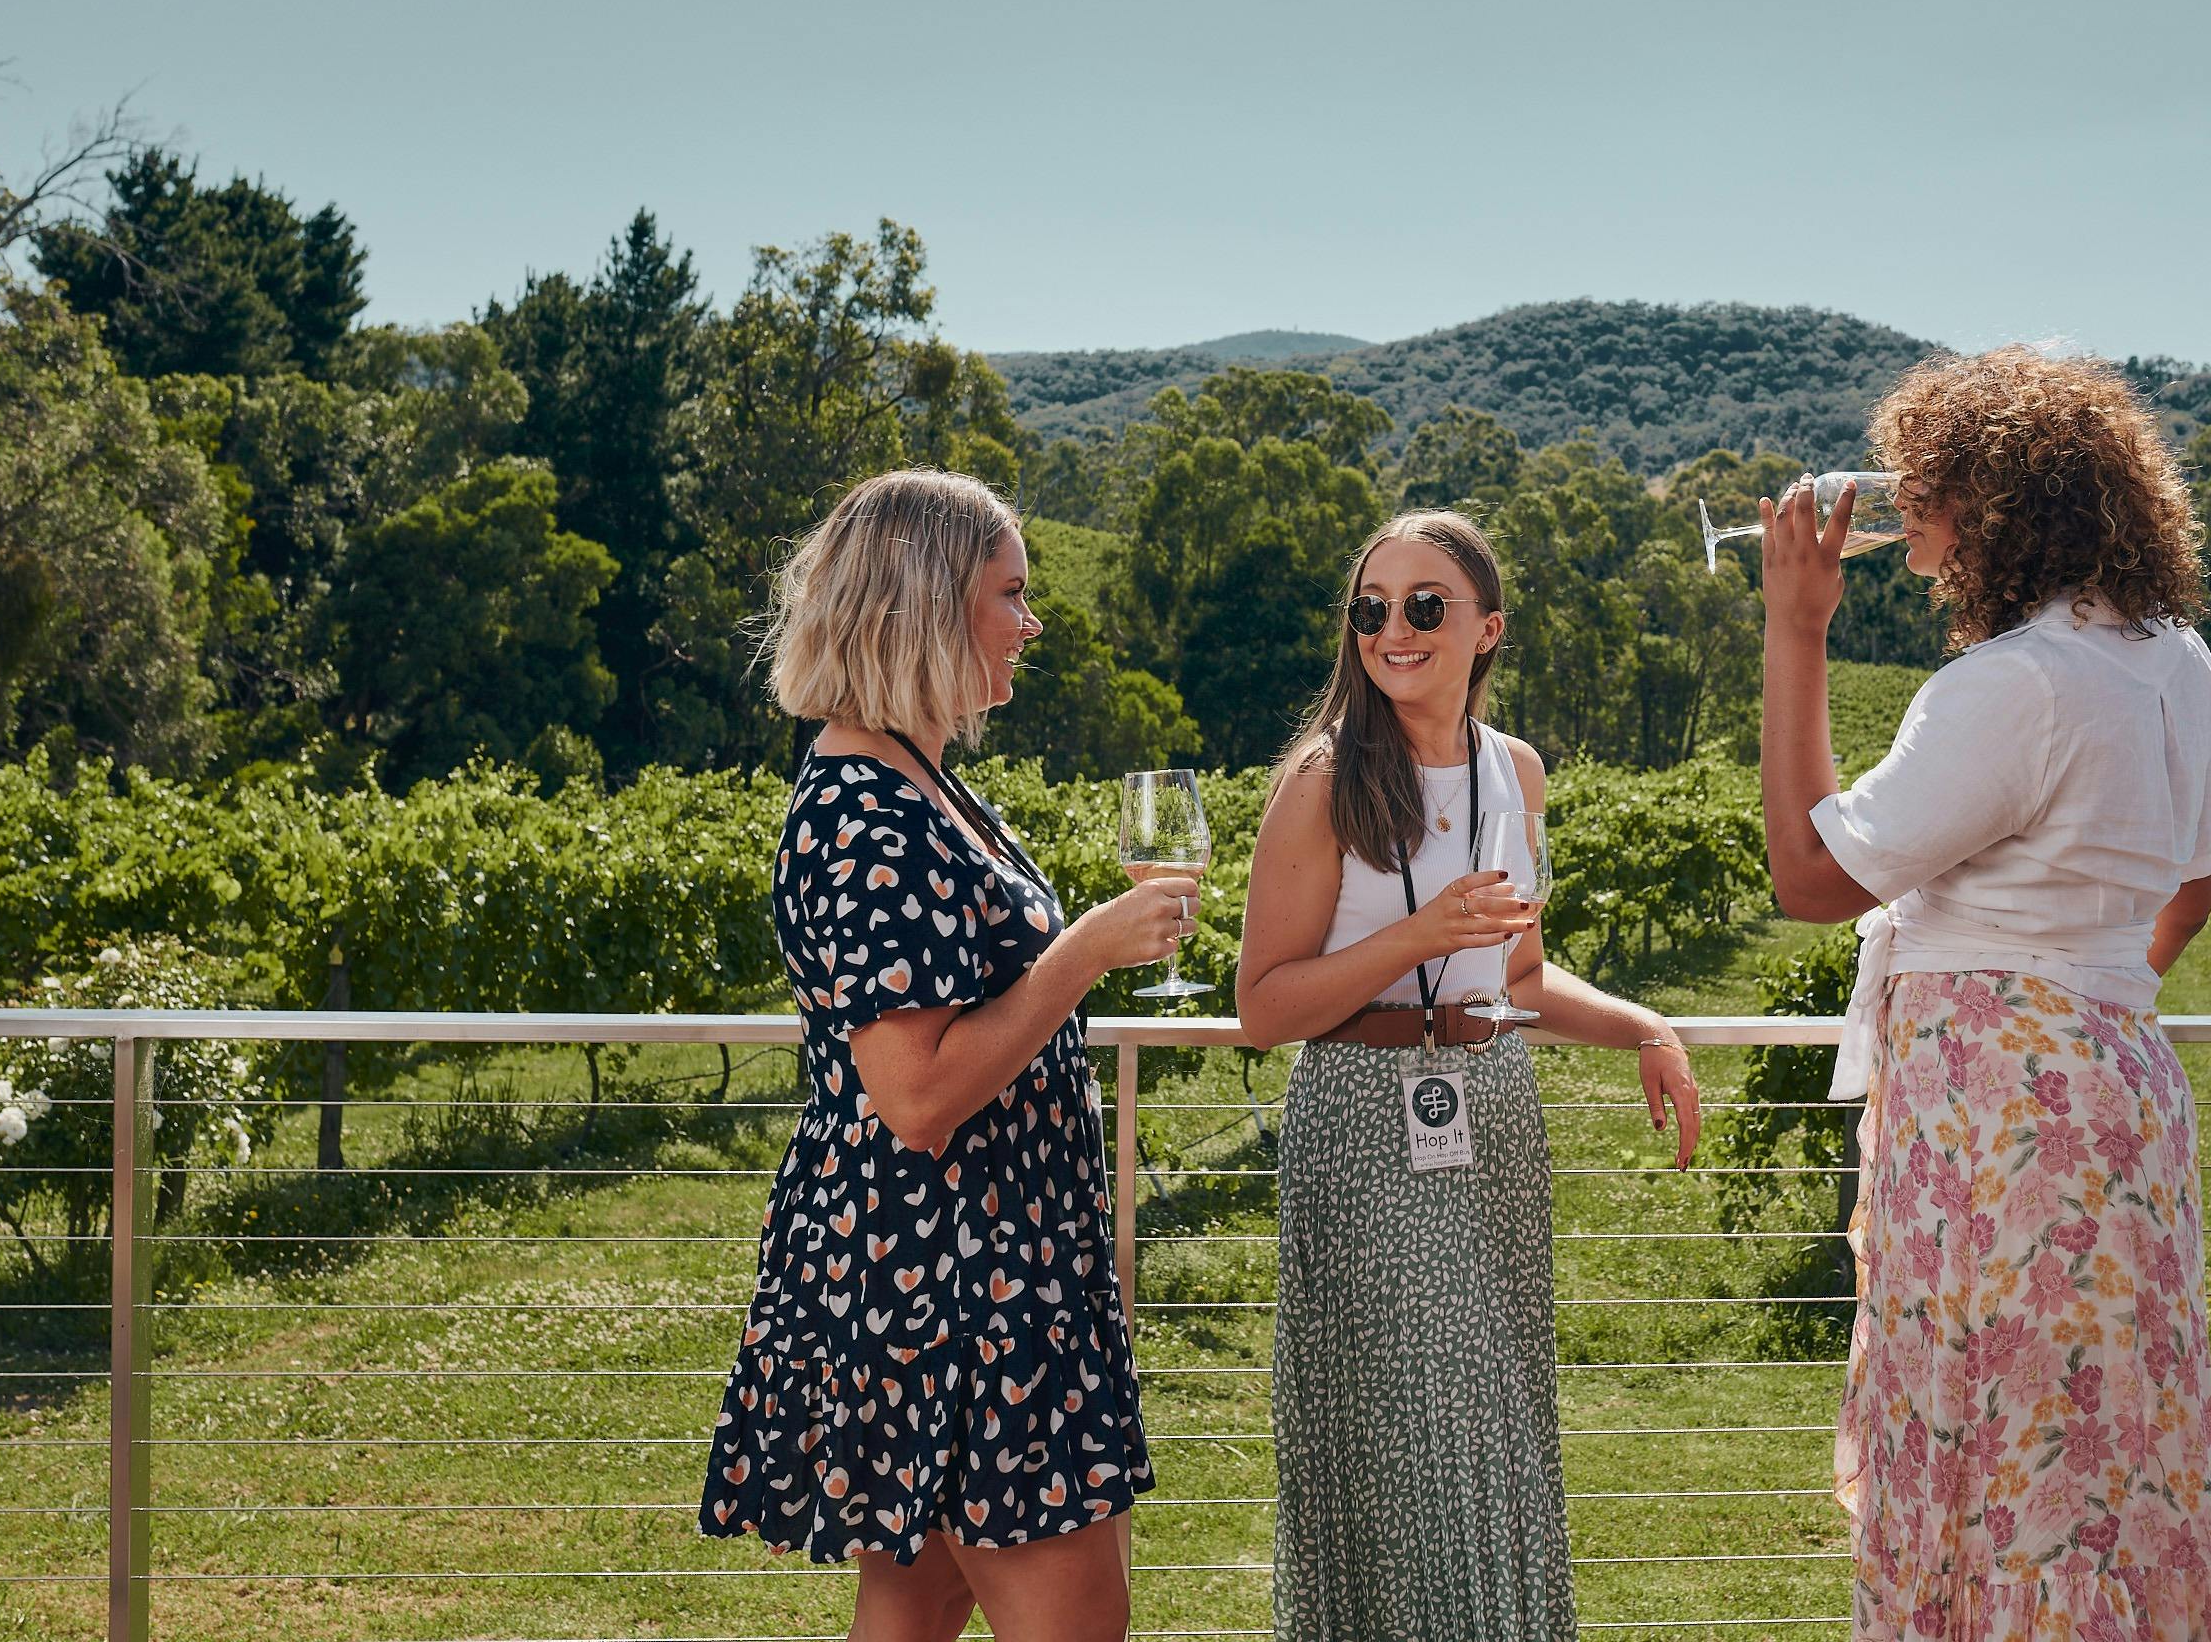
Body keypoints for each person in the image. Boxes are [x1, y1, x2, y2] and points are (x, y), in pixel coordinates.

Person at [1755, 349, 2211, 1640]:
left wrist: (1794, 629)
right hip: (2120, 1093)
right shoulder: (2172, 658)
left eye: (1931, 484)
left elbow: (1810, 878)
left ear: (2002, 502)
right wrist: (2081, 1005)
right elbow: (2189, 893)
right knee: (2105, 1461)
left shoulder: (2011, 684)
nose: (1906, 507)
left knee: (1994, 1446)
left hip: (1992, 1124)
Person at [701, 468, 1197, 1642]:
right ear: (925, 602)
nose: (1033, 621)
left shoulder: (912, 774)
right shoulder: (864, 809)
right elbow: (915, 1092)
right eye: (1011, 593)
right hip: (961, 1285)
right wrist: (1082, 951)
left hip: (964, 1266)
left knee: (913, 1608)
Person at [1235, 510, 1703, 1642]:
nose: (1394, 628)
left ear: (1487, 627)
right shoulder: (1320, 781)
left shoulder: (1517, 772)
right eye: (1373, 608)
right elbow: (1263, 1007)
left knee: (1496, 1421)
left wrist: (1644, 1023)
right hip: (1358, 1118)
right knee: (1399, 1434)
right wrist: (1416, 933)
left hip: (1489, 1113)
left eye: (1425, 605)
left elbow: (1522, 974)